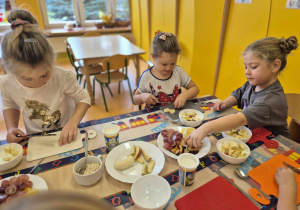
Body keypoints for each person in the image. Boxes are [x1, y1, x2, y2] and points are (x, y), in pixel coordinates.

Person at [185, 36, 298, 148]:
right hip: (256, 136)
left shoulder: (270, 100)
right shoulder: (253, 84)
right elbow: (239, 94)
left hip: (277, 146)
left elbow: (241, 119)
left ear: (275, 66)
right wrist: (226, 102)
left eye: (253, 67)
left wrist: (206, 128)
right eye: (245, 67)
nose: (247, 72)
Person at [0, 9, 90, 146]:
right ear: (8, 69)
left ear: (51, 64)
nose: (37, 83)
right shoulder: (6, 83)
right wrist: (11, 127)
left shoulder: (61, 76)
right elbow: (10, 104)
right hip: (35, 137)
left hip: (66, 131)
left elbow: (83, 98)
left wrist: (72, 123)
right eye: (27, 79)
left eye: (44, 75)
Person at [133, 31, 199, 109]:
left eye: (172, 64)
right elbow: (135, 99)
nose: (168, 68)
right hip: (153, 117)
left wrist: (184, 95)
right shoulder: (146, 76)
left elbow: (195, 89)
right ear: (154, 57)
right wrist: (142, 96)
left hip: (174, 115)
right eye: (164, 64)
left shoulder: (178, 71)